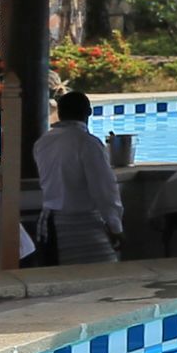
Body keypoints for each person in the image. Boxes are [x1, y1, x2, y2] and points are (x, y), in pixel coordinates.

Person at [36, 88, 125, 264]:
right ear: (89, 112)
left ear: (59, 113)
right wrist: (115, 227)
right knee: (105, 277)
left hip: (49, 224)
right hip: (82, 225)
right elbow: (104, 190)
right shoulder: (88, 143)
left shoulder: (43, 142)